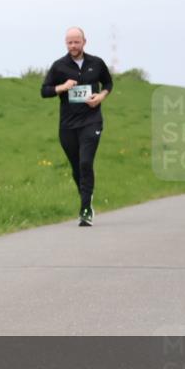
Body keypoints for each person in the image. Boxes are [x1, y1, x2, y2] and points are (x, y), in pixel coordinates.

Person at [41, 27, 113, 226]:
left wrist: (100, 97)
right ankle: (86, 198)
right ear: (66, 43)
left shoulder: (96, 63)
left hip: (91, 121)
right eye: (69, 42)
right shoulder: (59, 66)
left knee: (85, 163)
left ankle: (85, 210)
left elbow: (108, 83)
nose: (73, 46)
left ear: (84, 42)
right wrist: (61, 87)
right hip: (68, 125)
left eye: (76, 42)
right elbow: (44, 91)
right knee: (76, 168)